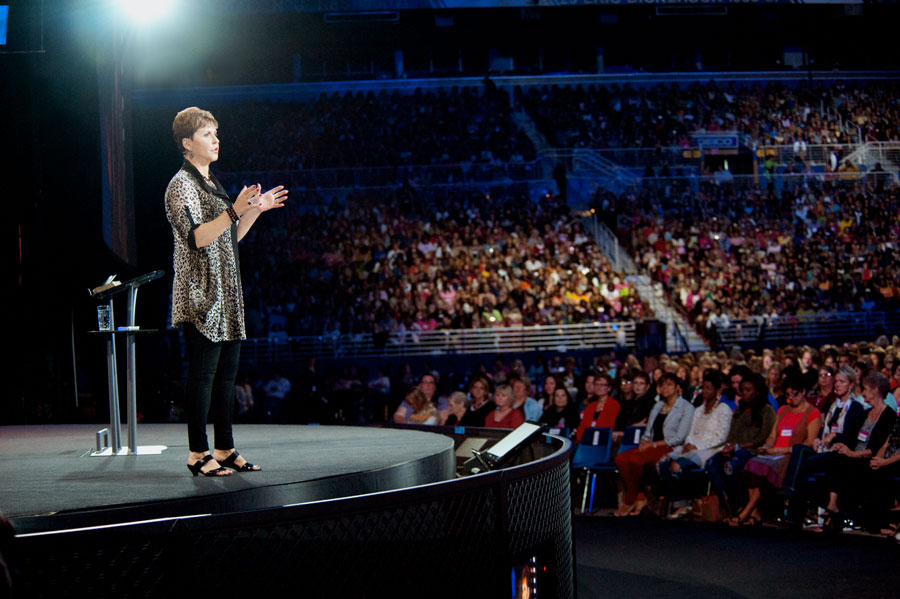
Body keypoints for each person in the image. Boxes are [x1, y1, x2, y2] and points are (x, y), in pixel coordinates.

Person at [165, 107, 287, 476]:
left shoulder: (212, 182)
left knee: (227, 375)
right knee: (202, 375)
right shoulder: (180, 185)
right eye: (206, 134)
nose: (216, 139)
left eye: (216, 132)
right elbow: (198, 238)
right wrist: (235, 210)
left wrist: (254, 211)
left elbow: (228, 238)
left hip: (226, 291)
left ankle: (223, 447)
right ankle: (196, 453)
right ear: (187, 144)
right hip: (201, 292)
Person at [728, 368, 822, 526]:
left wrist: (781, 450)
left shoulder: (813, 413)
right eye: (788, 394)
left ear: (803, 392)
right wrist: (767, 446)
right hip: (774, 452)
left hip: (791, 456)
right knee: (752, 463)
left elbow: (808, 444)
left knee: (764, 468)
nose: (791, 398)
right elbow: (773, 435)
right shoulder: (783, 409)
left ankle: (746, 512)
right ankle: (754, 512)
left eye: (795, 394)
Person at [820, 371, 897, 531]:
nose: (863, 394)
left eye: (866, 390)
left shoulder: (889, 416)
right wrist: (842, 446)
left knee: (848, 464)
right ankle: (833, 505)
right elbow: (850, 436)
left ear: (875, 391)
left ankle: (842, 511)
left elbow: (877, 448)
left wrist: (851, 453)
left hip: (871, 458)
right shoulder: (864, 414)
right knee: (836, 458)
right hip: (854, 455)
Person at [614, 373, 693, 516]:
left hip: (669, 446)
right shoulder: (658, 406)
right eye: (662, 385)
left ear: (677, 388)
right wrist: (645, 442)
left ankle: (630, 500)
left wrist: (653, 444)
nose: (665, 388)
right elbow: (649, 431)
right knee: (621, 459)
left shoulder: (686, 407)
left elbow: (679, 438)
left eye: (669, 384)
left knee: (636, 460)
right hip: (652, 445)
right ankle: (640, 497)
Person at [658, 369, 732, 519]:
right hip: (692, 446)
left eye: (708, 388)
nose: (705, 391)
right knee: (663, 462)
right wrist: (688, 444)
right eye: (703, 388)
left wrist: (697, 447)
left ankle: (689, 502)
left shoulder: (724, 410)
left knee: (677, 465)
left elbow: (721, 437)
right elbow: (691, 433)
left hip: (710, 450)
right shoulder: (698, 410)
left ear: (717, 390)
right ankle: (681, 502)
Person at [705, 373, 776, 513]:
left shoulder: (767, 411)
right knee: (711, 464)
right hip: (735, 449)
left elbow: (762, 438)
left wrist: (738, 446)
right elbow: (732, 434)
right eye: (743, 390)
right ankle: (728, 504)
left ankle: (741, 505)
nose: (744, 393)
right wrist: (729, 446)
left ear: (757, 391)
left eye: (748, 390)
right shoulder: (739, 410)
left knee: (730, 466)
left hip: (753, 451)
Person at [574, 374, 621, 443]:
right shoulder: (591, 406)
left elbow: (608, 428)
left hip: (602, 441)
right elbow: (582, 427)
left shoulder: (614, 405)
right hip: (585, 441)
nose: (599, 387)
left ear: (609, 388)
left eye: (602, 385)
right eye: (596, 384)